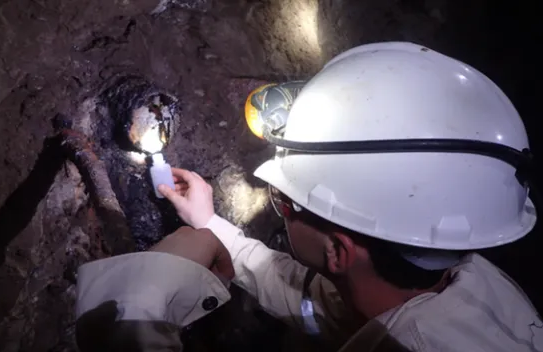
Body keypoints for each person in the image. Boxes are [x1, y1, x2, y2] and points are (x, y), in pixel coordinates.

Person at [75, 42, 543, 351]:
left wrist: (142, 293)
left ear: (339, 251)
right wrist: (216, 229)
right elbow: (317, 306)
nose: (278, 201)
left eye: (287, 201)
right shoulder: (449, 277)